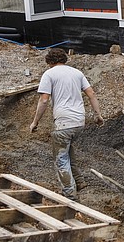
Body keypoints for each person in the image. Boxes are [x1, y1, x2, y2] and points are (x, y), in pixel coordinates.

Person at [30, 47, 104, 199]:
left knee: (61, 158)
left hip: (64, 123)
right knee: (68, 150)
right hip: (79, 122)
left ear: (49, 62)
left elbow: (44, 100)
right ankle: (80, 181)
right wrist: (98, 115)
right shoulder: (77, 73)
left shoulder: (49, 74)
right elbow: (92, 93)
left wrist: (35, 122)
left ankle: (69, 194)